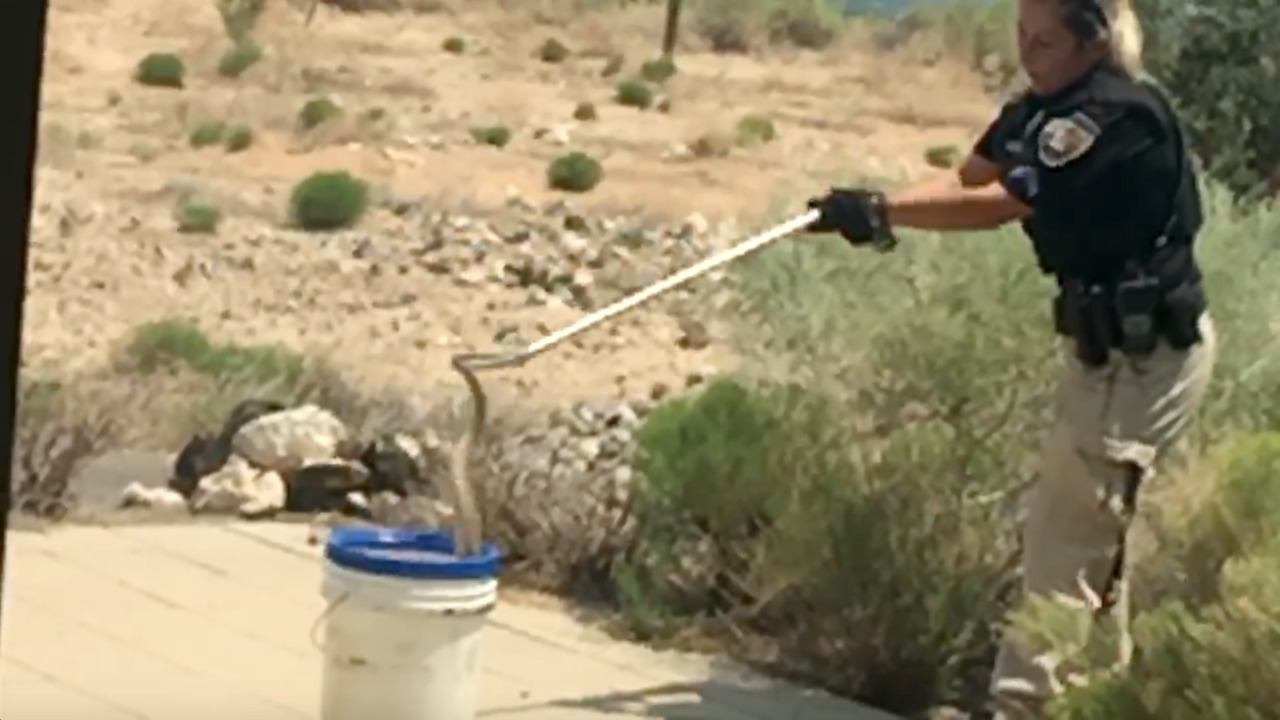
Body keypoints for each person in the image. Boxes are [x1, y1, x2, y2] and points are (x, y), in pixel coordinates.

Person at [804, 0, 1216, 717]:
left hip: (1146, 361)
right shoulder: (1034, 112)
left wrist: (887, 212)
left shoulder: (1118, 116)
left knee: (1068, 541)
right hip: (1101, 355)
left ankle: (1022, 707)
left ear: (1092, 41)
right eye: (1021, 35)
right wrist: (871, 207)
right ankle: (1098, 702)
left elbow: (1004, 201)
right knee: (1088, 541)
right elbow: (968, 180)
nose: (1028, 52)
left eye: (1045, 40)